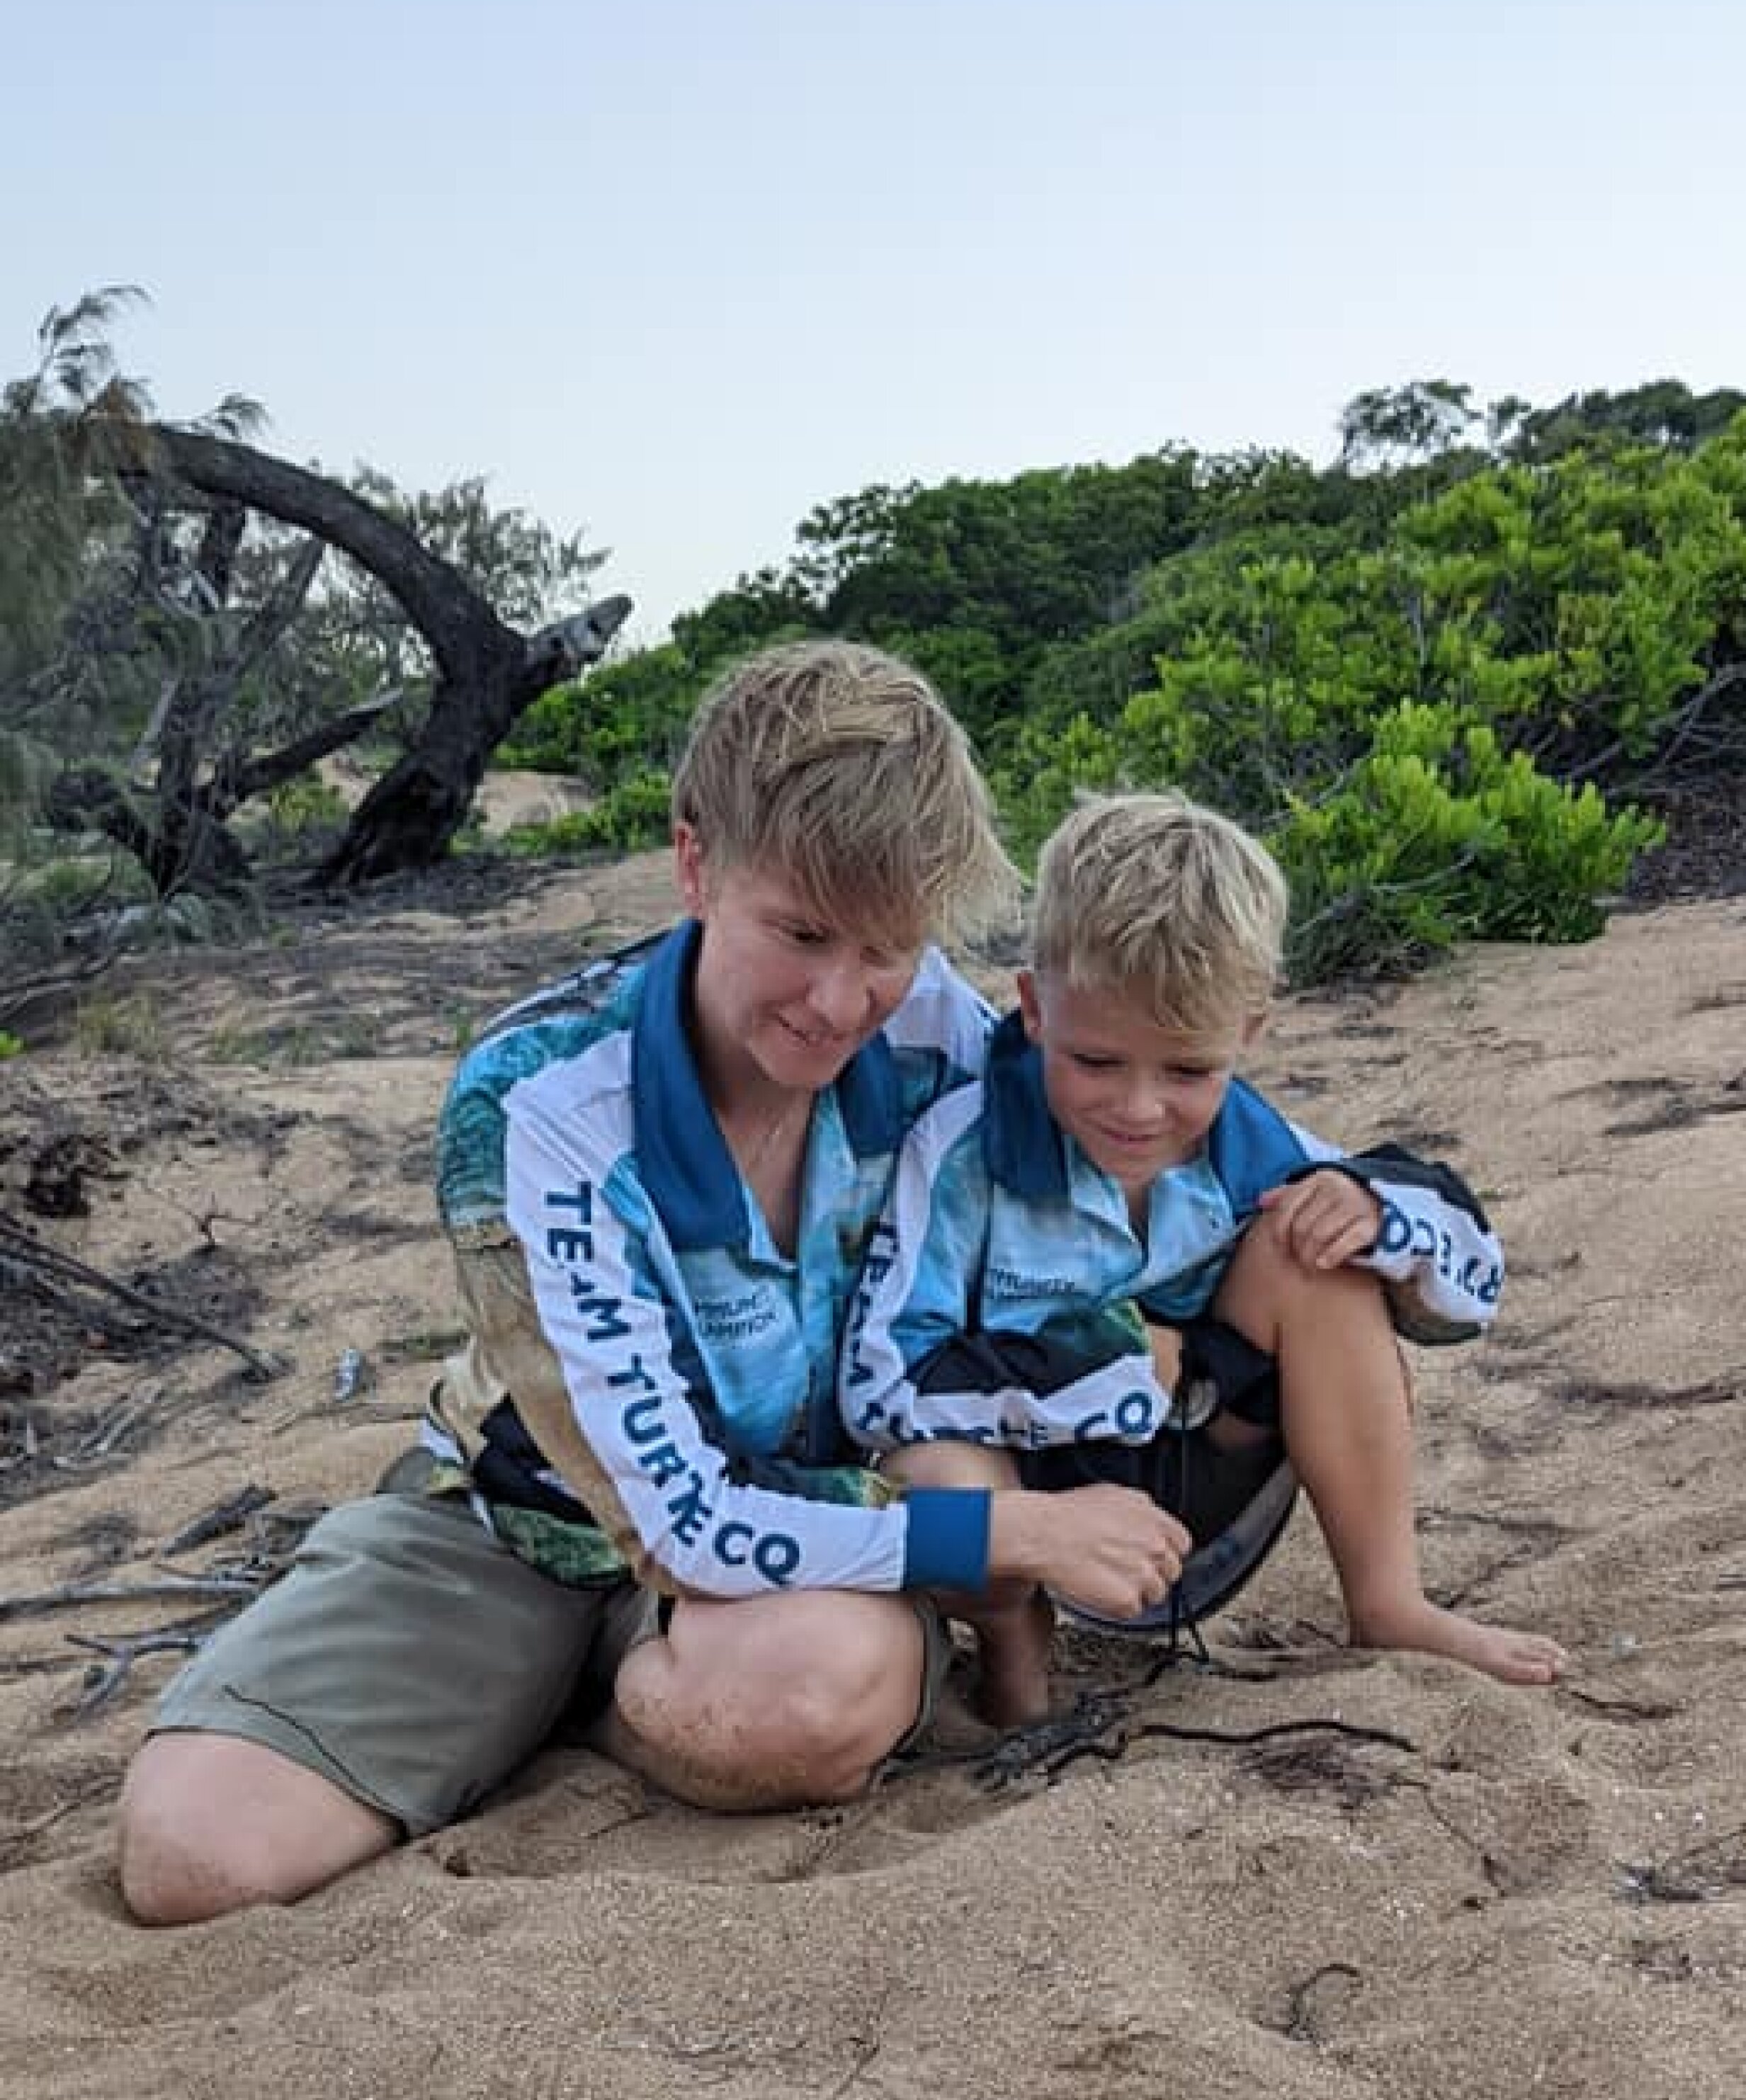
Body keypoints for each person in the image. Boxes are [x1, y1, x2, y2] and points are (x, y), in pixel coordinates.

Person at [116, 645, 1191, 1923]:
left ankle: (635, 1708)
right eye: (798, 933)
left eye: (888, 946)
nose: (840, 1000)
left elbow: (1173, 1131)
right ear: (695, 865)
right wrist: (1016, 1536)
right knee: (196, 1858)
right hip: (526, 1517)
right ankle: (589, 1682)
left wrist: (1363, 1210)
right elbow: (674, 1522)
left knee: (809, 1692)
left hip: (811, 1551)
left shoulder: (939, 1028)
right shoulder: (541, 1100)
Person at [839, 788, 1568, 1725]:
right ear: (1032, 1007)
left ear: (1249, 1034)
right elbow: (878, 1386)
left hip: (1201, 1494)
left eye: (1188, 1070)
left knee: (1321, 1247)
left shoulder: (1257, 1150)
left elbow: (1470, 1295)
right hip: (1032, 1502)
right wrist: (1106, 1361)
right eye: (1097, 1062)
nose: (1139, 1109)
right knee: (929, 1465)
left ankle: (1388, 1602)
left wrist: (1374, 1208)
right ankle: (1017, 1652)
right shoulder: (957, 1155)